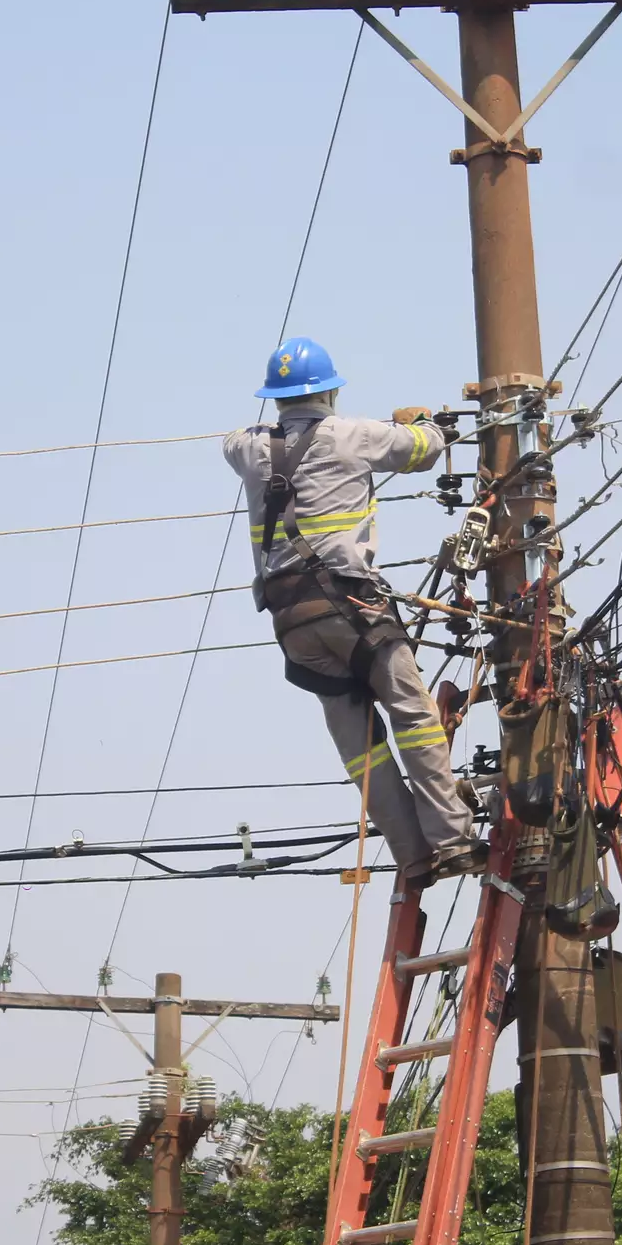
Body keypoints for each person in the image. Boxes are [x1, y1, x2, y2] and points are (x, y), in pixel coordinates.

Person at [223, 337, 484, 884]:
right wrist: (426, 422)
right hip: (352, 607)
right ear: (331, 391)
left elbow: (230, 443)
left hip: (292, 622)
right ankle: (454, 842)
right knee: (413, 719)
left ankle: (412, 857)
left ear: (275, 399)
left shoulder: (249, 450)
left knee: (362, 752)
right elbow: (425, 449)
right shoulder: (351, 434)